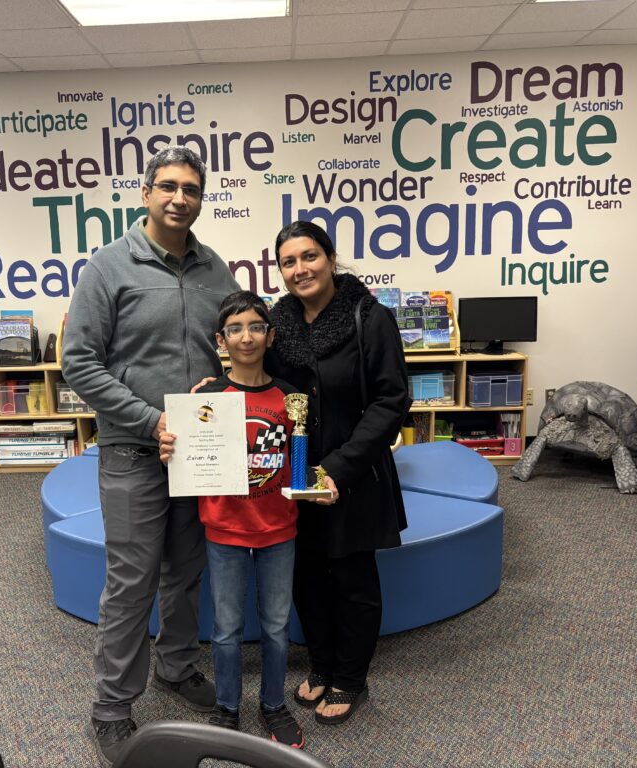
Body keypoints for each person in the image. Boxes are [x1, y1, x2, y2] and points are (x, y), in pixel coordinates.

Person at [61, 146, 240, 767]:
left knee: (187, 572)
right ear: (145, 192)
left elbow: (233, 349)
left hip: (200, 452)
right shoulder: (108, 267)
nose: (179, 198)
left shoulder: (217, 270)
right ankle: (111, 708)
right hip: (134, 452)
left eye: (191, 189)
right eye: (168, 186)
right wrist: (150, 419)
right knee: (132, 583)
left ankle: (176, 666)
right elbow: (78, 362)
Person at [265, 220, 410, 726]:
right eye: (288, 261)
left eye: (309, 256)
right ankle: (322, 663)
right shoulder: (275, 326)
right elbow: (257, 384)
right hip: (295, 475)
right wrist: (213, 390)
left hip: (354, 472)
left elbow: (392, 401)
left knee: (352, 578)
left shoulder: (370, 317)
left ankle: (351, 677)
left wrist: (339, 469)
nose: (299, 269)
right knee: (306, 574)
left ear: (330, 258)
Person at [159, 290, 305, 749]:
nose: (247, 337)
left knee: (277, 627)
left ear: (270, 334)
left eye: (255, 327)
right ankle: (227, 706)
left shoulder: (289, 399)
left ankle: (273, 703)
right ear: (221, 340)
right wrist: (172, 452)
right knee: (225, 630)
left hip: (279, 528)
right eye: (235, 329)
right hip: (224, 529)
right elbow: (189, 457)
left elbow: (296, 463)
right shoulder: (207, 397)